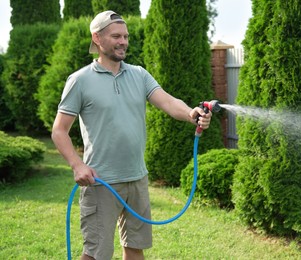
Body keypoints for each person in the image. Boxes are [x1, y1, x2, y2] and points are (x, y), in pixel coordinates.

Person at [51, 10, 212, 260]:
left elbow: (168, 102)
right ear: (97, 38)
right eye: (116, 36)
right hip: (101, 182)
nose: (123, 41)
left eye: (125, 36)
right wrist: (77, 165)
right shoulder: (80, 80)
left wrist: (191, 113)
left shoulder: (139, 74)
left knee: (135, 248)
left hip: (137, 178)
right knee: (96, 254)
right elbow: (59, 130)